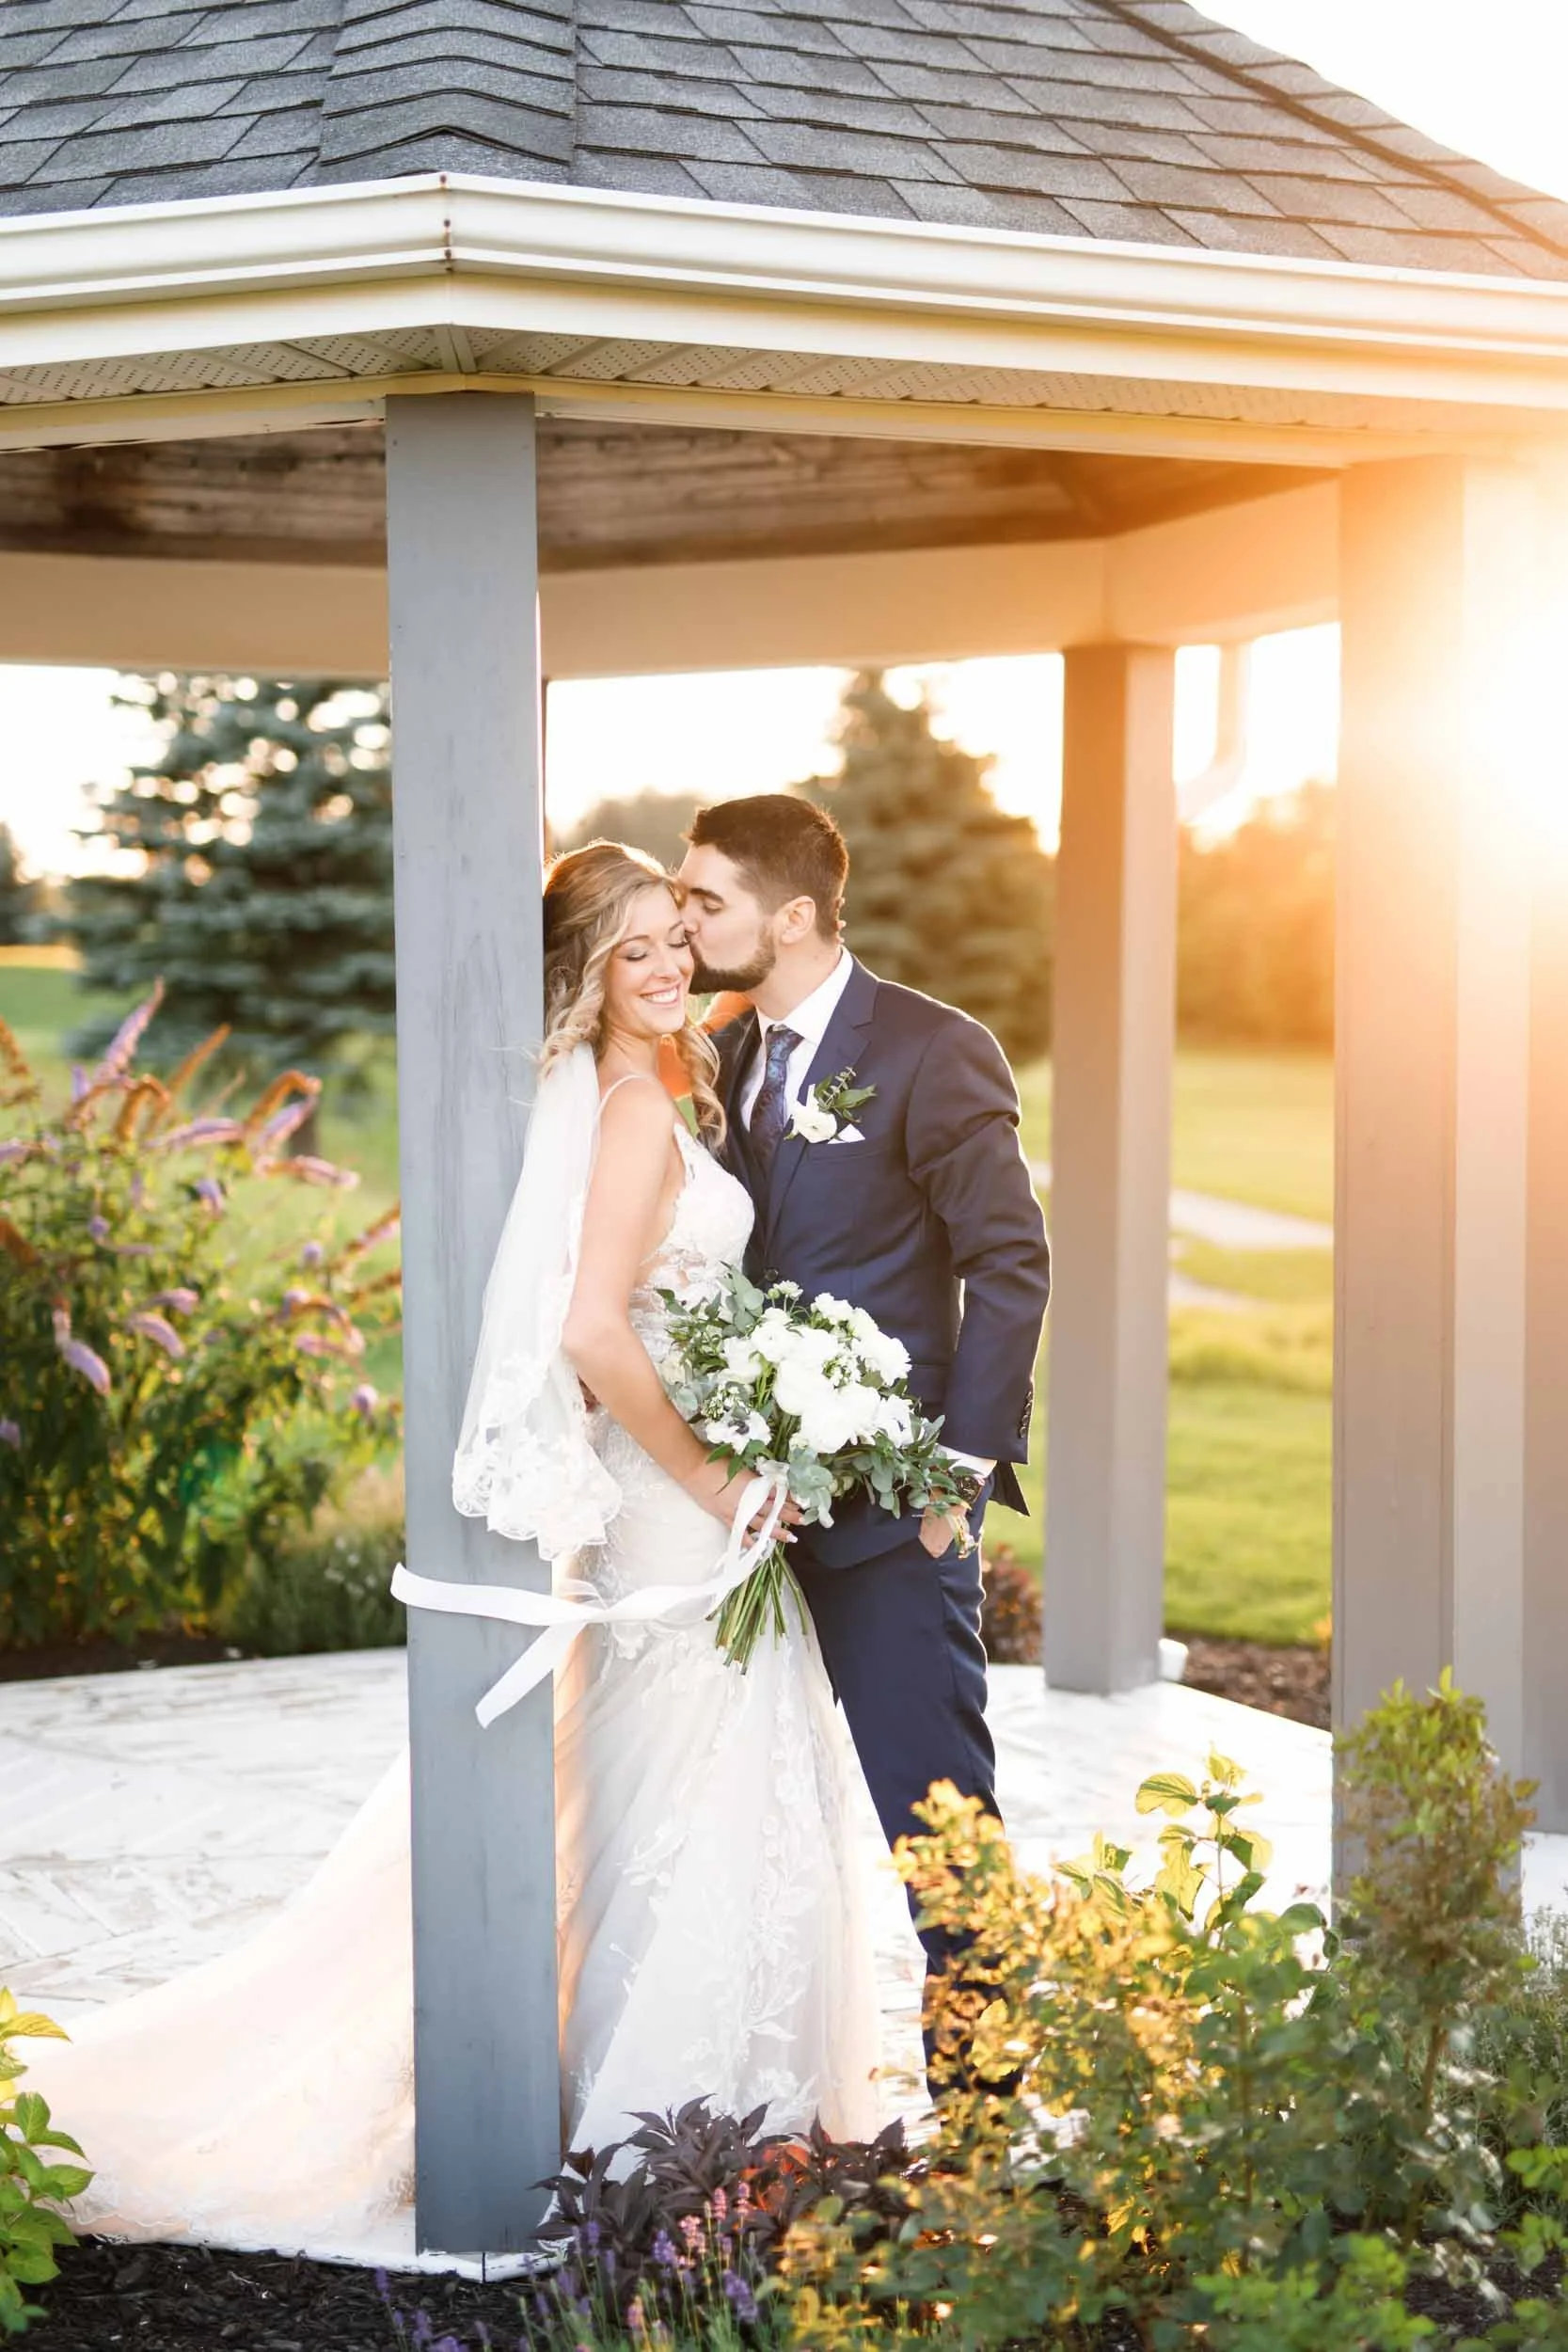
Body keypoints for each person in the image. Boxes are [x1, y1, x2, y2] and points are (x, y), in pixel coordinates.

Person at [18, 841, 879, 2267]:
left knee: (680, 1805)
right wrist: (720, 1471)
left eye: (678, 937)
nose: (669, 967)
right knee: (692, 1803)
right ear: (586, 973)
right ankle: (671, 2136)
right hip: (674, 1509)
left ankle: (711, 2128)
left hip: (693, 1509)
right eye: (636, 951)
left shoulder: (674, 1083)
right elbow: (594, 1330)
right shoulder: (619, 1109)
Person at [679, 796, 1052, 2065]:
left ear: (789, 917)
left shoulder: (933, 1050)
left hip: (891, 1519)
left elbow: (1008, 1262)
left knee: (935, 1824)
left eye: (704, 899)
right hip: (734, 1515)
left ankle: (987, 2119)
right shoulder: (718, 1050)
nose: (683, 920)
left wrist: (955, 1475)